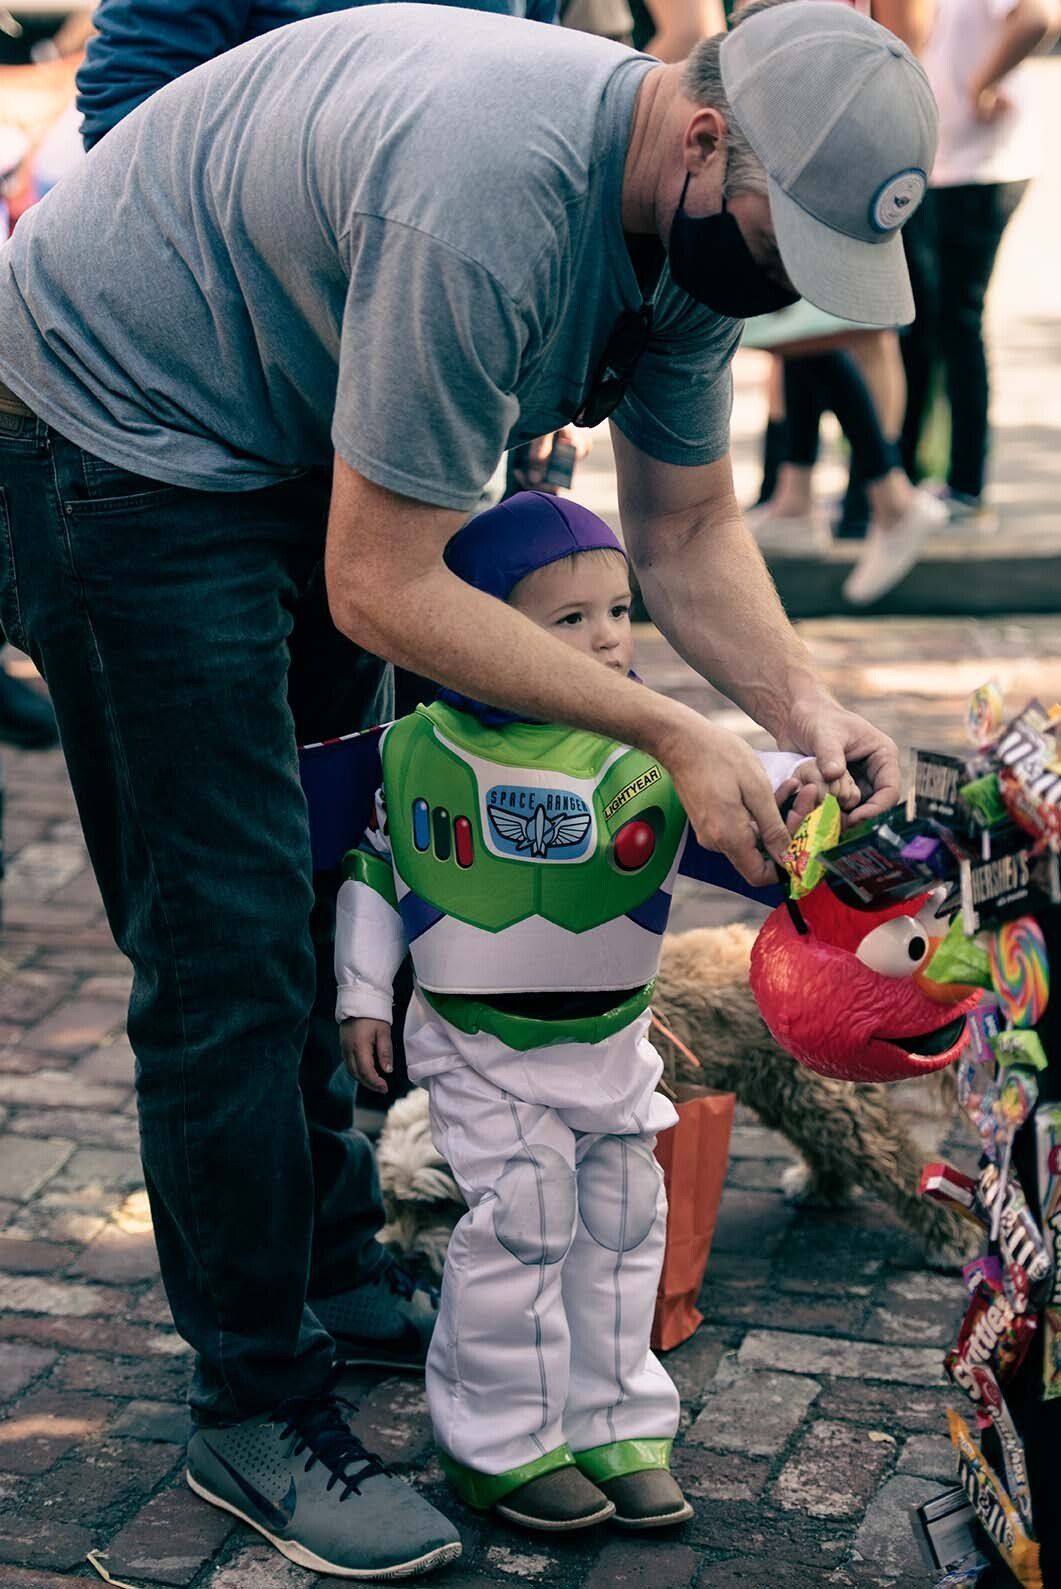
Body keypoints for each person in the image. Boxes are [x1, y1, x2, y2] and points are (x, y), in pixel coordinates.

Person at [0, 1, 928, 1574]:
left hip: (275, 432)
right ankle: (256, 1404)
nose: (785, 295)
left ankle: (339, 1276)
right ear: (705, 140)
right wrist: (666, 736)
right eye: (789, 248)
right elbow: (383, 584)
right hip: (118, 440)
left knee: (317, 872)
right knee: (226, 936)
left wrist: (793, 704)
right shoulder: (491, 197)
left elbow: (687, 529)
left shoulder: (686, 237)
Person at [336, 490, 848, 1534]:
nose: (607, 635)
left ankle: (616, 1420)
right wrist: (358, 994)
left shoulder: (659, 753)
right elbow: (371, 868)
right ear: (471, 622)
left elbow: (785, 823)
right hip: (480, 1044)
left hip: (610, 1045)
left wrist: (829, 801)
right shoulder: (414, 749)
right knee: (519, 1221)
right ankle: (500, 1442)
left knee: (621, 1223)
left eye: (618, 609)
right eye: (565, 618)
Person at [899, 0, 1056, 526]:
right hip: (944, 168)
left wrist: (981, 85)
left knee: (957, 325)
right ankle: (906, 479)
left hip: (982, 170)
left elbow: (1037, 16)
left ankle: (965, 486)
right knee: (923, 326)